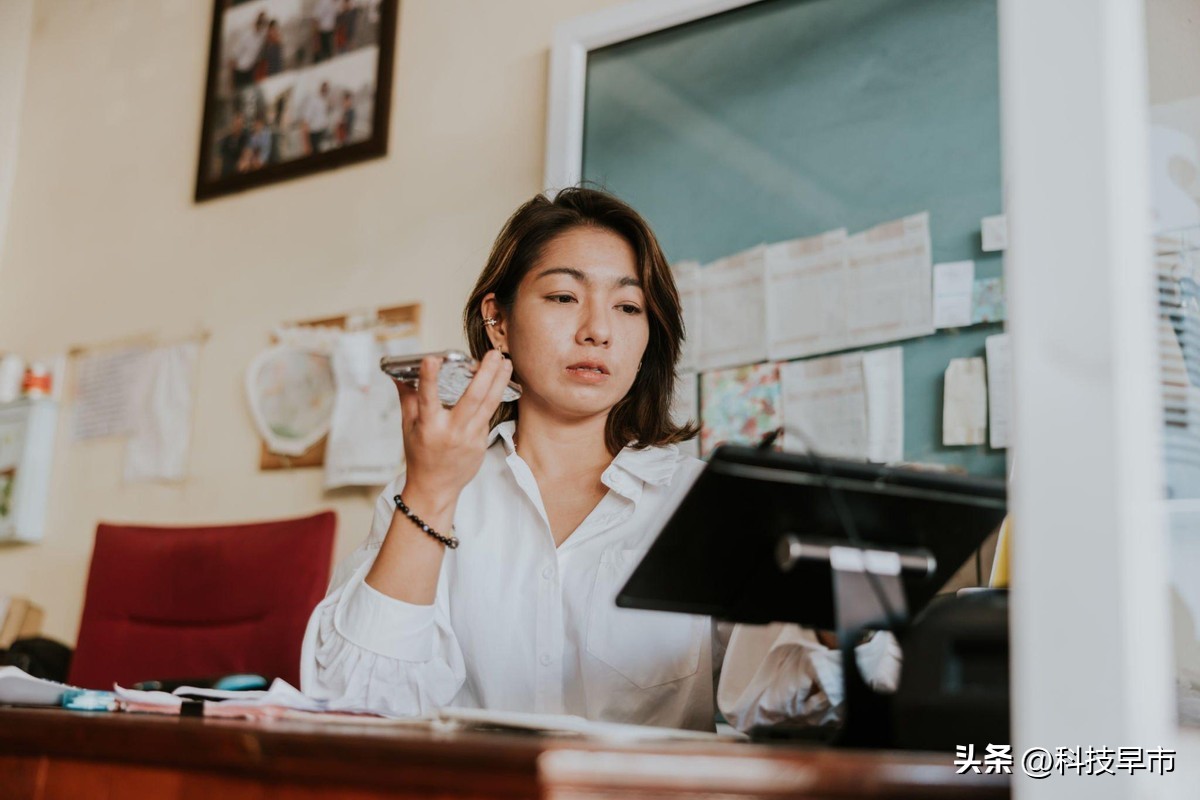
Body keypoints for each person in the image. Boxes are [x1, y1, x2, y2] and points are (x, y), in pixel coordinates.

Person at [300, 188, 900, 730]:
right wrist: (431, 492)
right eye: (564, 296)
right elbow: (351, 703)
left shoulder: (702, 503)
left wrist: (840, 614)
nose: (598, 331)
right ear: (498, 321)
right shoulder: (432, 490)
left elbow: (784, 701)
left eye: (628, 307)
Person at [230, 12, 268, 91]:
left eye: (263, 24)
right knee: (238, 91)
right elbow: (235, 54)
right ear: (256, 23)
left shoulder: (261, 37)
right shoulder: (246, 35)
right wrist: (233, 76)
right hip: (240, 69)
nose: (261, 26)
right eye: (259, 23)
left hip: (250, 70)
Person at [299, 82, 332, 154]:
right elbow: (305, 120)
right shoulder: (313, 100)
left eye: (327, 89)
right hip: (314, 132)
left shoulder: (325, 100)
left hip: (323, 130)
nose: (326, 91)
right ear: (321, 88)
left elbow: (324, 116)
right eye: (325, 89)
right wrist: (306, 143)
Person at [217, 111, 248, 178]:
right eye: (235, 124)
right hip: (225, 170)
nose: (237, 127)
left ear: (242, 126)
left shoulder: (244, 138)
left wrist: (243, 161)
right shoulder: (226, 139)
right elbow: (220, 159)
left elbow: (246, 153)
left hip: (237, 169)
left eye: (239, 124)